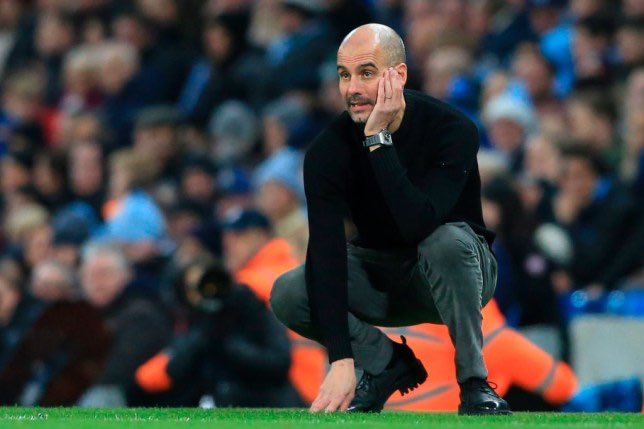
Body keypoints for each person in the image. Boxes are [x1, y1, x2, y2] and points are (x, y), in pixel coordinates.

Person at [270, 23, 511, 415]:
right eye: (344, 75)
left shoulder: (452, 129)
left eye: (366, 73)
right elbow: (326, 252)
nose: (352, 88)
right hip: (380, 273)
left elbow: (420, 226)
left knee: (445, 241)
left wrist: (378, 140)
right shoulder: (326, 151)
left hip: (458, 273)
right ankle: (387, 364)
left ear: (398, 75)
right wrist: (342, 358)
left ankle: (474, 383)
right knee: (289, 291)